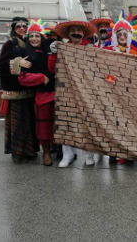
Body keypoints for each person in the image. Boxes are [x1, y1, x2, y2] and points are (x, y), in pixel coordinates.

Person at [53, 19, 100, 167]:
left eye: (79, 31)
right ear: (68, 34)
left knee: (88, 123)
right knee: (66, 123)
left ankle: (89, 155)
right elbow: (51, 69)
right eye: (73, 30)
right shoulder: (61, 48)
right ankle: (68, 155)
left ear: (84, 34)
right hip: (66, 91)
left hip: (87, 92)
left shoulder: (91, 49)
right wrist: (53, 54)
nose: (76, 33)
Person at [0, 17, 39, 163]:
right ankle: (18, 154)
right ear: (14, 28)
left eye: (24, 26)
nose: (22, 28)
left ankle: (30, 151)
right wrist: (17, 62)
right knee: (17, 124)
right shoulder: (9, 43)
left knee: (28, 123)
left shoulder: (28, 42)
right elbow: (0, 66)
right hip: (15, 93)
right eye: (19, 26)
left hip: (27, 91)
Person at [18, 19, 55, 166]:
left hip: (58, 92)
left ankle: (60, 149)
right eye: (31, 36)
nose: (34, 39)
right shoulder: (27, 55)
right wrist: (41, 78)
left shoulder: (50, 50)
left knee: (60, 124)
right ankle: (46, 151)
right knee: (44, 126)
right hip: (43, 95)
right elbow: (23, 78)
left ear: (42, 37)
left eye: (37, 36)